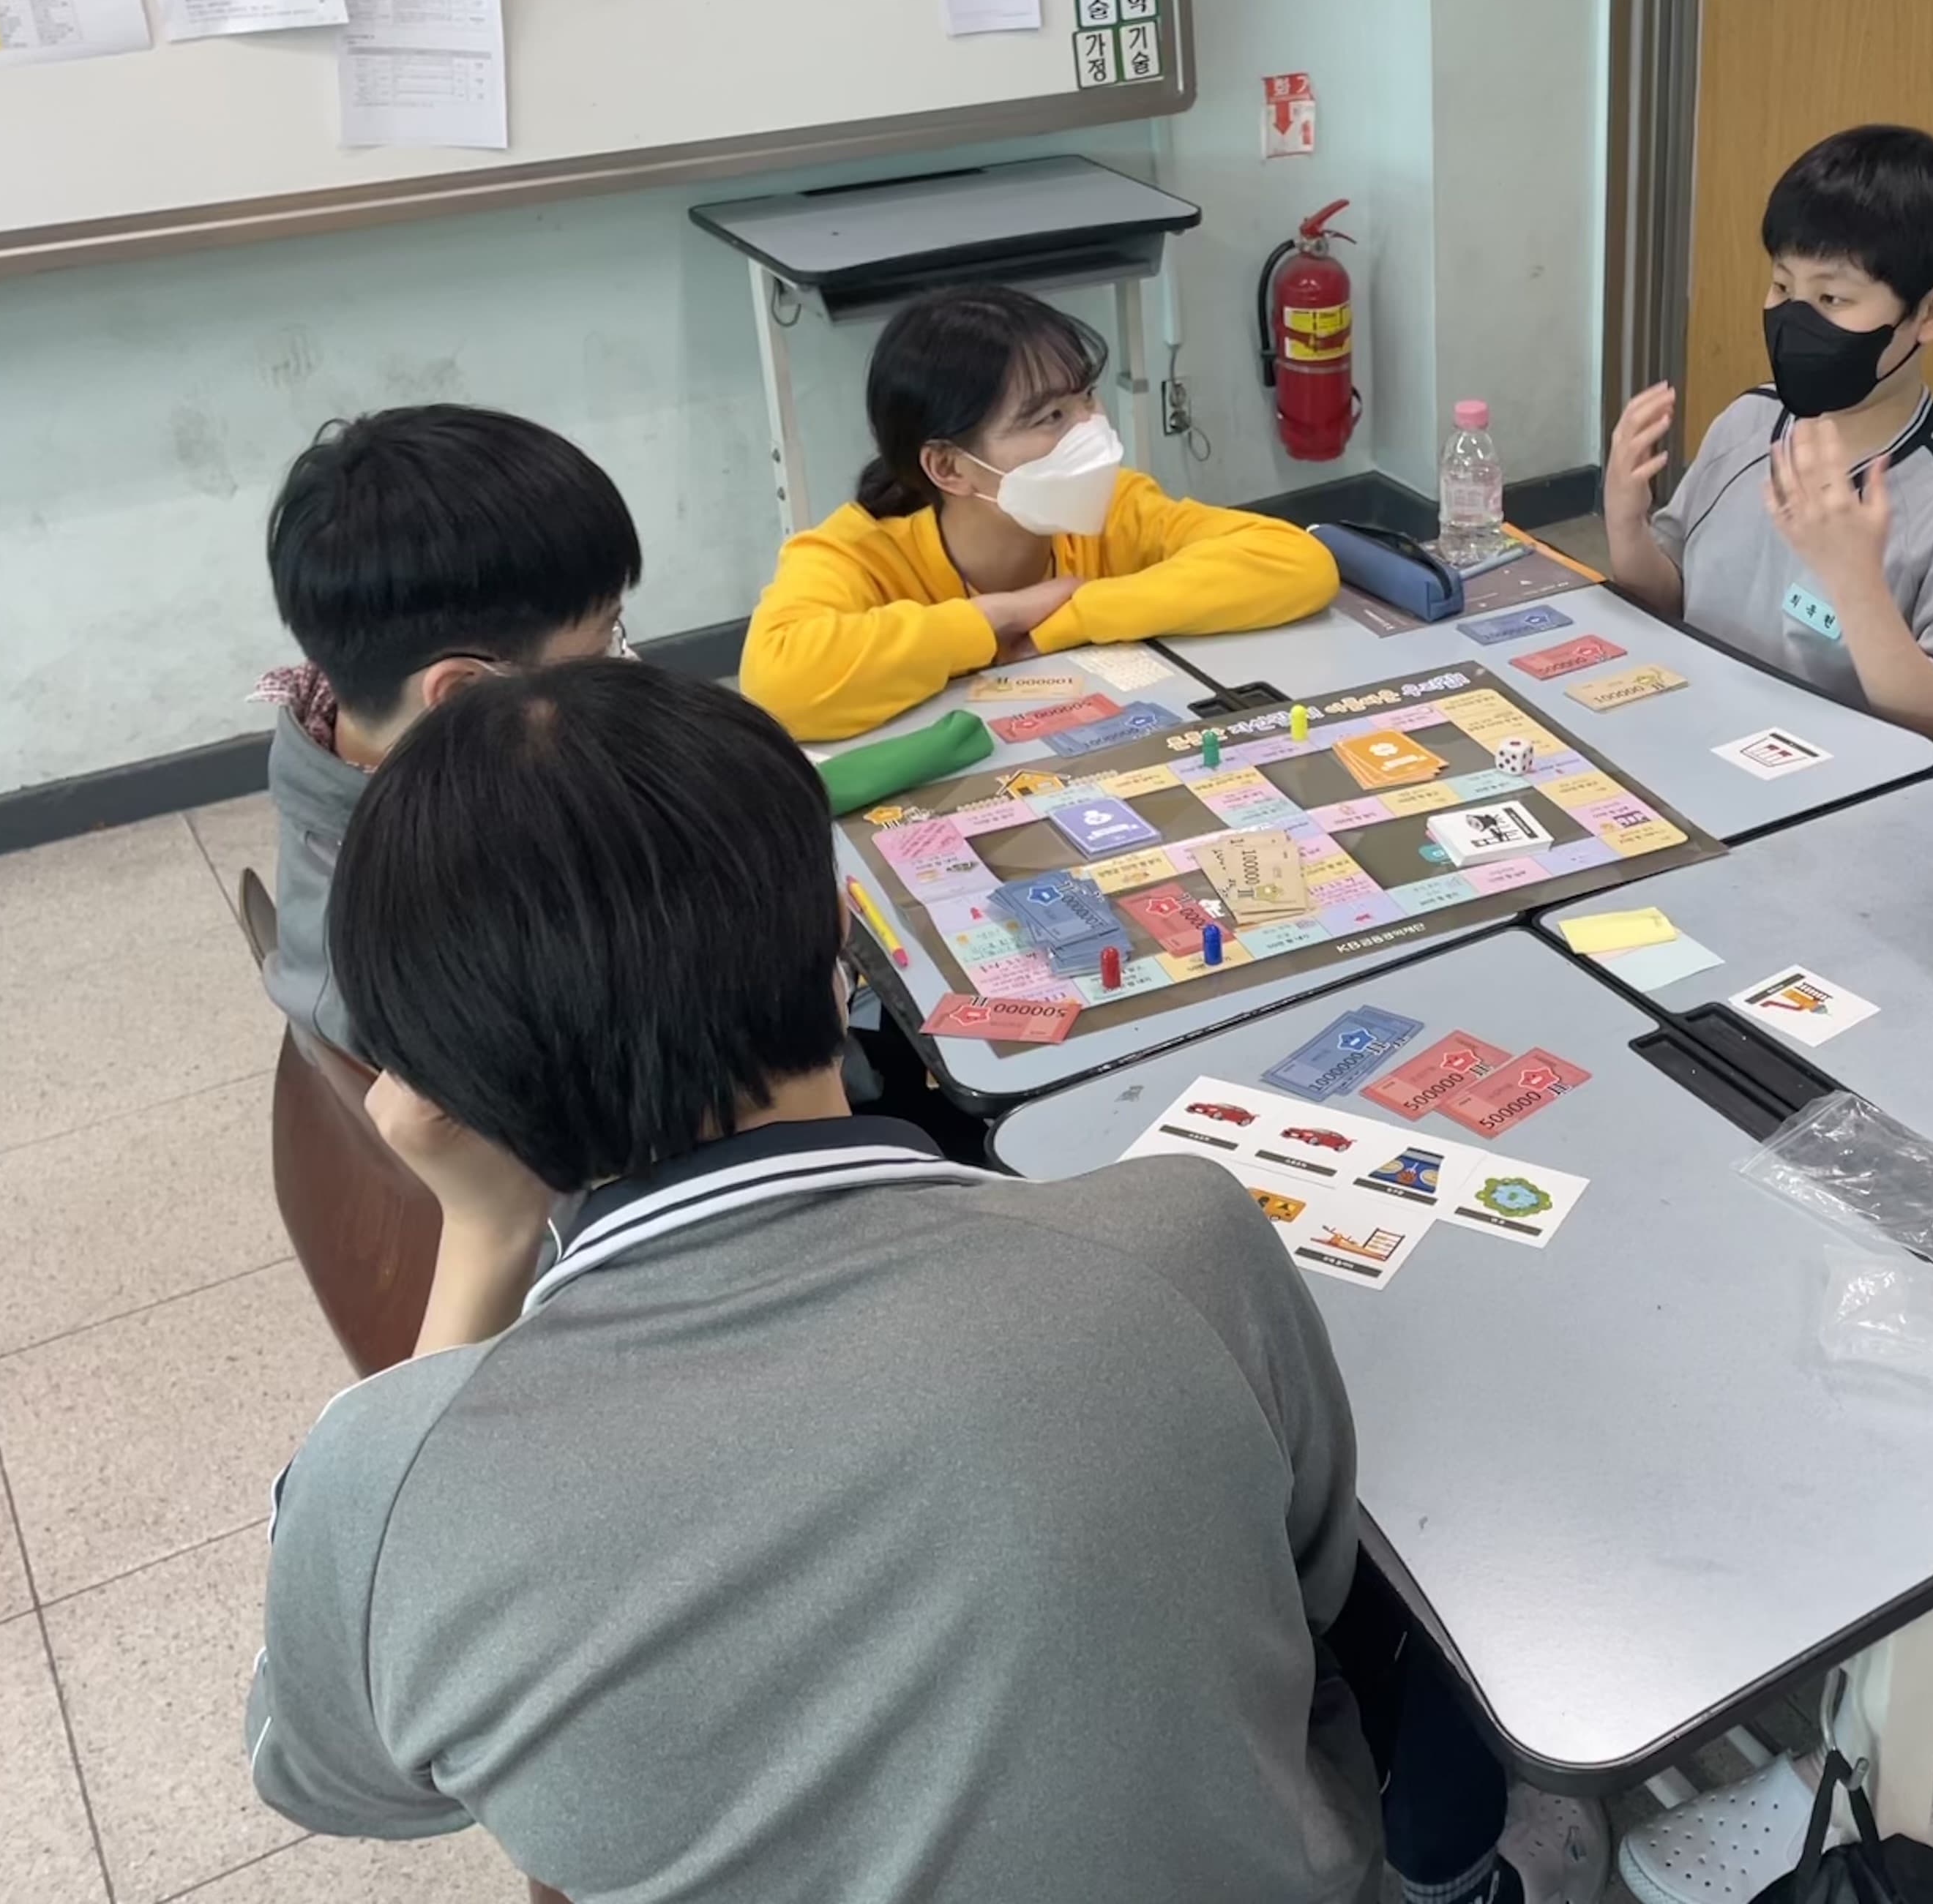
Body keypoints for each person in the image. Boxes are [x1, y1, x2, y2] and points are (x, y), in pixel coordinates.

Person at [244, 659, 1557, 1904]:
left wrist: (481, 1232)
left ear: (437, 1090)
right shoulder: (1179, 1243)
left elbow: (332, 1779)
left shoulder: (378, 1487)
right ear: (841, 939)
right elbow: (1312, 1584)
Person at [740, 285, 1339, 740]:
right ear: (948, 467)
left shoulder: (1114, 507)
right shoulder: (855, 550)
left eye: (1086, 399)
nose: (1090, 430)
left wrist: (1073, 615)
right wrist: (995, 619)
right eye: (1050, 418)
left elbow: (1297, 563)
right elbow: (778, 684)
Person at [1600, 124, 1933, 743]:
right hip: (1691, 737)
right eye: (1782, 286)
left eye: (1832, 298)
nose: (1794, 317)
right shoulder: (1749, 422)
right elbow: (1668, 603)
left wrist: (1853, 579)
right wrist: (1626, 524)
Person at [255, 404, 639, 1059]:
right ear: (463, 694)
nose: (625, 665)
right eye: (604, 643)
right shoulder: (432, 972)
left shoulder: (376, 735)